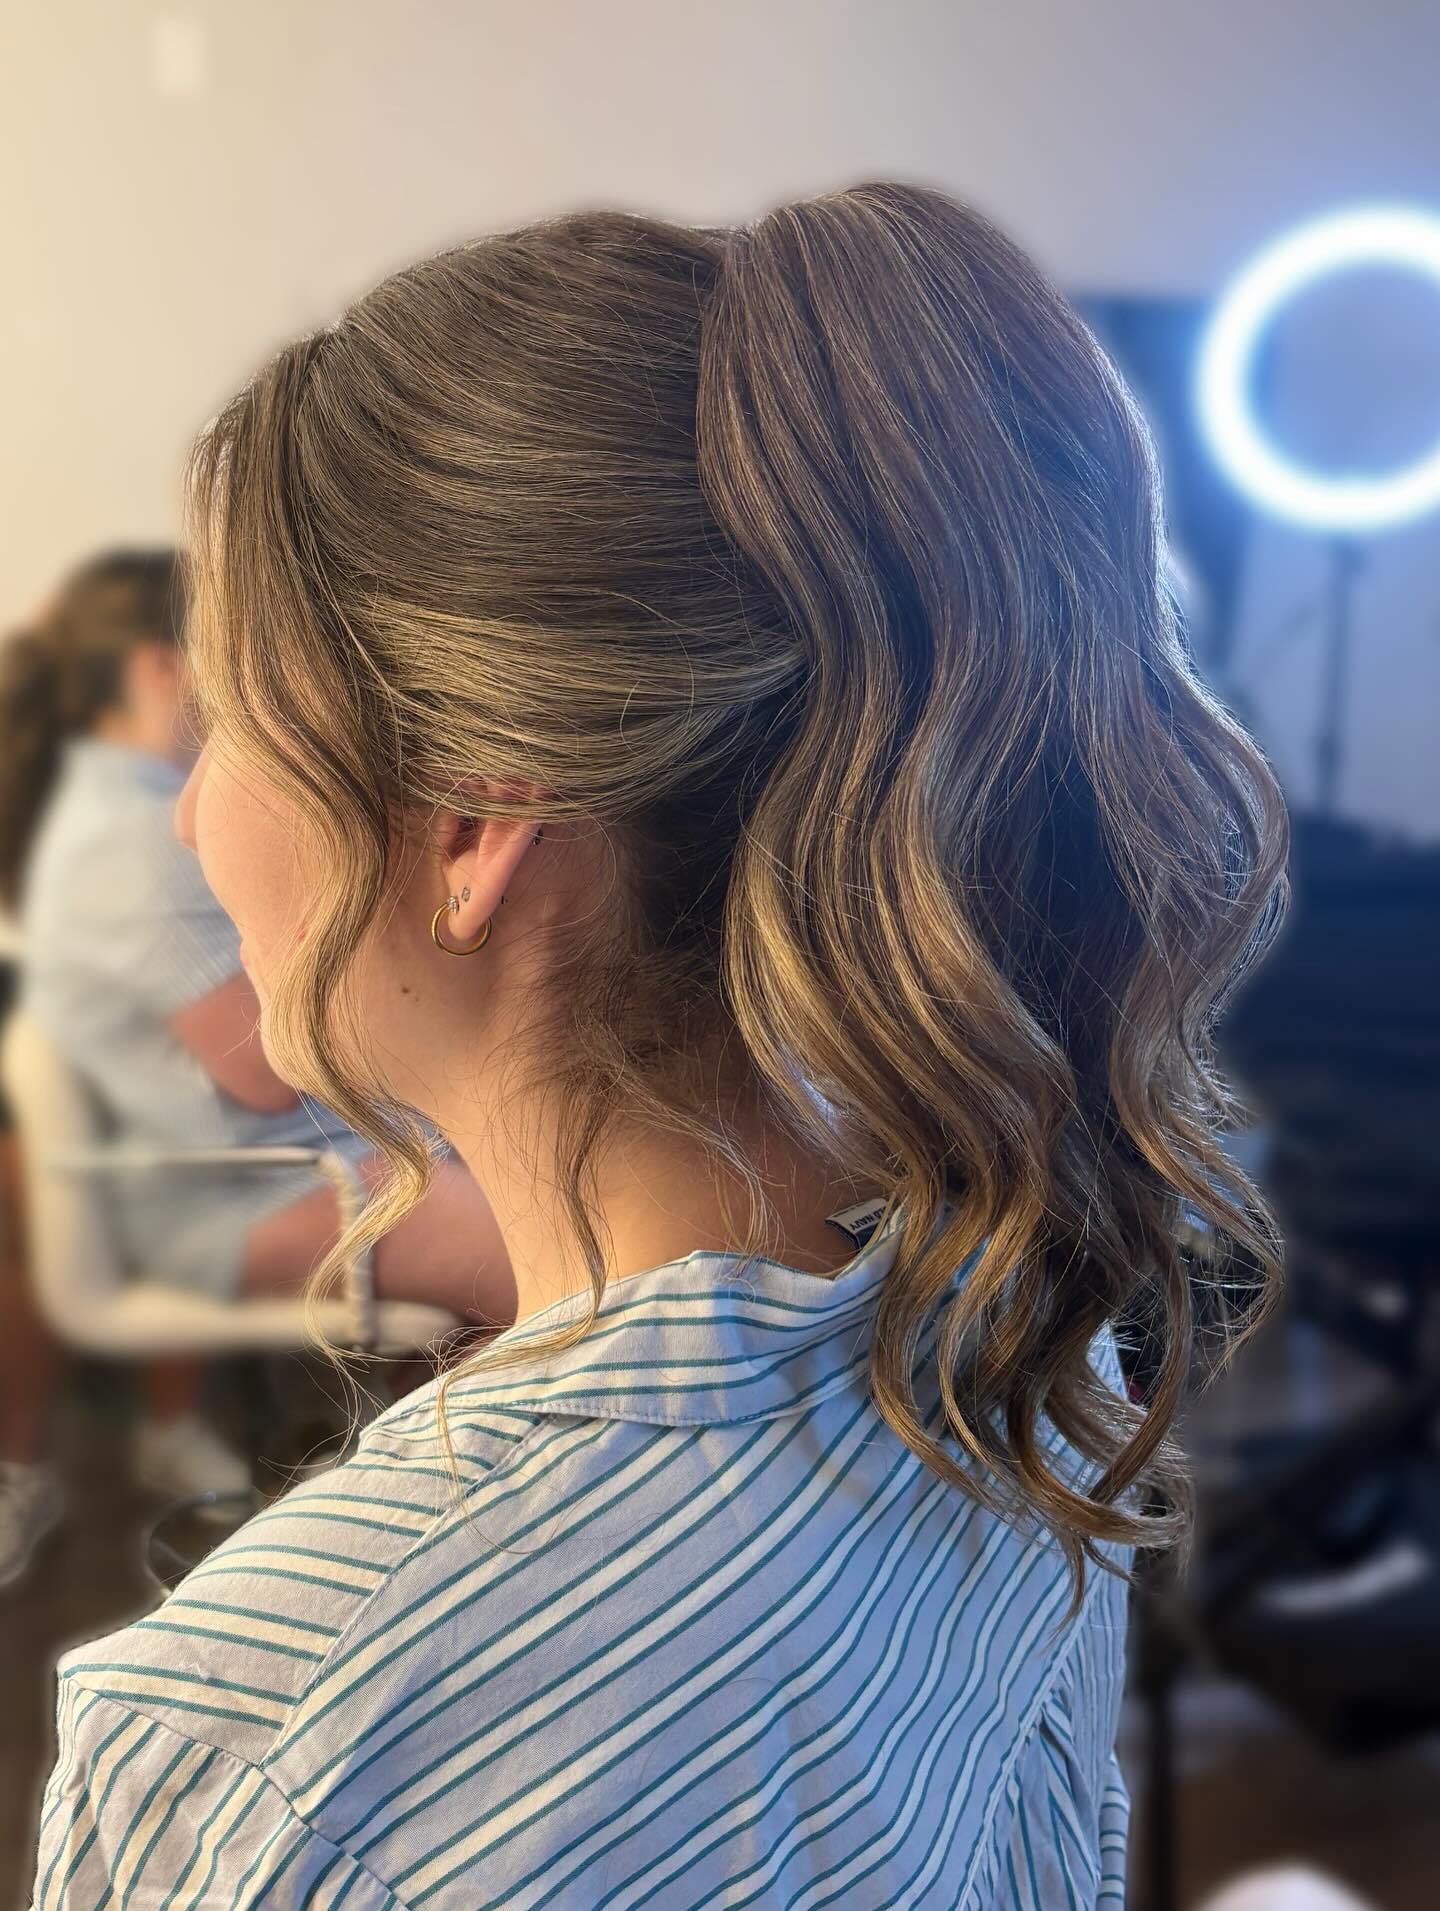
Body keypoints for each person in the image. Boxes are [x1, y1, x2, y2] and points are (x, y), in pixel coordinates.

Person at [29, 183, 1287, 1907]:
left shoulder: (260, 1746)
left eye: (237, 714)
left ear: (473, 826)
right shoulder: (1025, 1348)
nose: (193, 820)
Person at [0, 552, 513, 1588]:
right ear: (161, 666)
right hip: (231, 1194)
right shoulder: (128, 839)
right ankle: (481, 1546)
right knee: (536, 1255)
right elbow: (265, 1073)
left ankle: (455, 1506)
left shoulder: (118, 810)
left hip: (255, 1164)